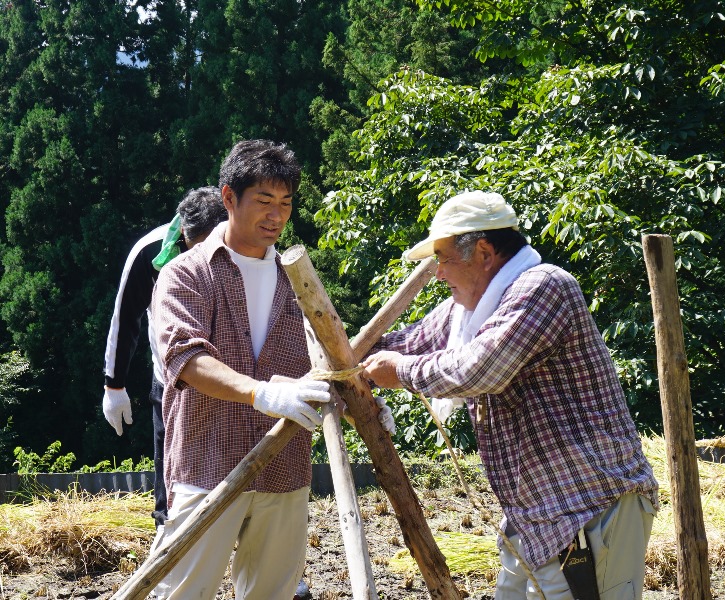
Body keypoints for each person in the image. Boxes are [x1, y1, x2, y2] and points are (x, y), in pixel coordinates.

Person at [360, 190, 660, 600]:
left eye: (444, 259)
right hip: (535, 519)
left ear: (483, 251)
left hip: (590, 509)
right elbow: (406, 342)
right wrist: (340, 358)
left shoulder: (544, 287)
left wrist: (398, 372)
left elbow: (480, 368)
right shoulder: (465, 312)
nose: (439, 274)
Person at [149, 139, 392, 599]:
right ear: (228, 198)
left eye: (285, 203)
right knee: (183, 591)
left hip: (284, 467)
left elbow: (325, 366)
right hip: (209, 464)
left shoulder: (296, 277)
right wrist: (263, 394)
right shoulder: (186, 274)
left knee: (272, 593)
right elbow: (186, 358)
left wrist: (365, 401)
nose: (276, 215)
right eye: (263, 201)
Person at [102, 186, 227, 527]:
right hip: (172, 380)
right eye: (194, 247)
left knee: (241, 466)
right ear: (183, 232)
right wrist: (114, 385)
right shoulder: (149, 252)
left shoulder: (242, 248)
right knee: (169, 468)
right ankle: (166, 542)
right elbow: (125, 316)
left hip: (231, 375)